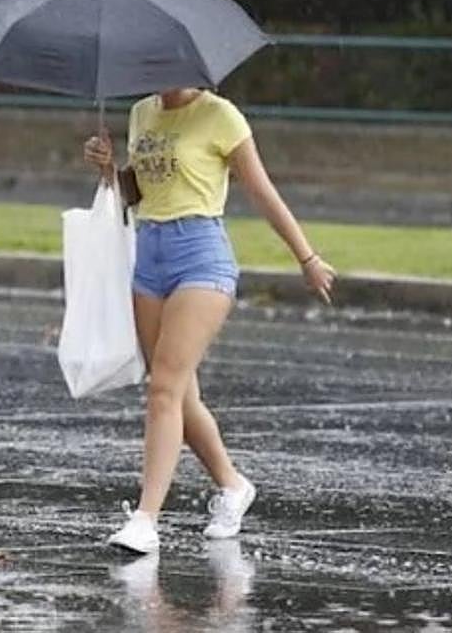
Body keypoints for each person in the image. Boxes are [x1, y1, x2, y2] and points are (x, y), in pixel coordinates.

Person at [83, 87, 336, 554]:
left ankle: (145, 519)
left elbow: (262, 190)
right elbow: (136, 191)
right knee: (178, 393)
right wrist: (107, 170)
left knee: (164, 388)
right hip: (149, 256)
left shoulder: (221, 116)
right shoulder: (142, 113)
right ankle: (234, 485)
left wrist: (307, 257)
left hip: (201, 256)